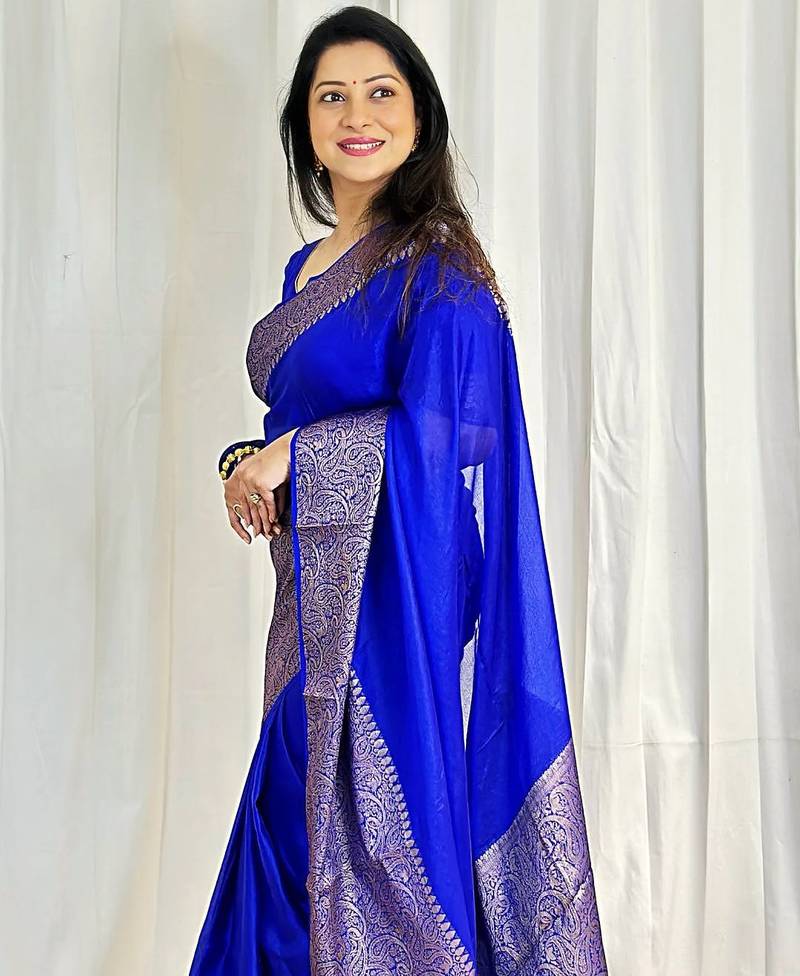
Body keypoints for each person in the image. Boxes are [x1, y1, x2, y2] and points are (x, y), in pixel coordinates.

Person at [189, 6, 608, 975]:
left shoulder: (440, 268)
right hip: (308, 606)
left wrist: (299, 453)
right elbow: (296, 425)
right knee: (293, 845)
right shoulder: (304, 270)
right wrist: (255, 461)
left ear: (419, 118)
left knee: (375, 853)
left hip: (396, 618)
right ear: (303, 125)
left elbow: (452, 442)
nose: (357, 115)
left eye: (381, 93)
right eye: (330, 96)